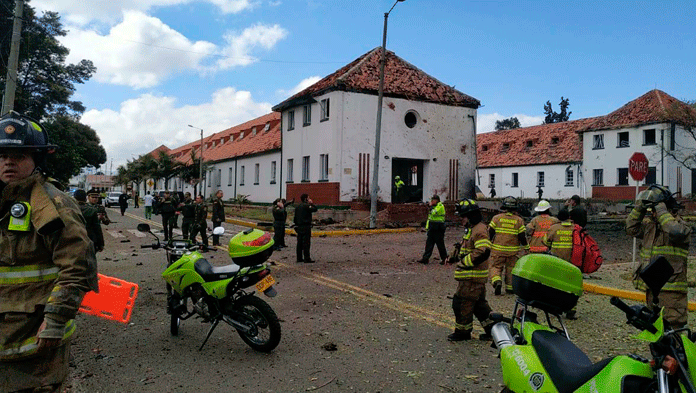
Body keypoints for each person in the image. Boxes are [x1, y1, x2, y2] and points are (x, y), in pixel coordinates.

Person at [0, 111, 98, 392]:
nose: (8, 161)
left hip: (35, 343)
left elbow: (77, 267)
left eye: (19, 155)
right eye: (2, 155)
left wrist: (55, 320)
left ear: (36, 159)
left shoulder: (54, 205)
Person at [626, 184, 691, 329]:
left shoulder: (682, 228)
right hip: (652, 290)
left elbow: (674, 231)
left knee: (673, 333)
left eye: (654, 210)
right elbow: (631, 228)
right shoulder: (651, 228)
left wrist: (661, 209)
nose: (653, 213)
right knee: (654, 331)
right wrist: (640, 208)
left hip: (672, 294)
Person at [444, 199, 495, 341]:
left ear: (471, 215)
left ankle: (463, 332)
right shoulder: (472, 229)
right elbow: (465, 247)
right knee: (479, 306)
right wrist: (454, 256)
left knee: (461, 303)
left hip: (472, 277)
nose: (461, 219)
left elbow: (483, 251)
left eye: (463, 216)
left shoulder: (479, 230)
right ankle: (493, 331)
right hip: (471, 277)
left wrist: (464, 262)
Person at [488, 196, 528, 295]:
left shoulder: (496, 218)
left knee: (495, 267)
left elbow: (490, 232)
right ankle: (510, 288)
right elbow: (522, 236)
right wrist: (526, 247)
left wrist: (488, 243)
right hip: (513, 251)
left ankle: (497, 281)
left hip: (497, 250)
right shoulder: (519, 220)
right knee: (511, 269)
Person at [542, 208, 577, 319]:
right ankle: (571, 309)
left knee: (555, 284)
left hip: (556, 261)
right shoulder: (575, 228)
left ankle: (555, 307)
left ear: (558, 218)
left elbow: (545, 241)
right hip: (572, 261)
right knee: (572, 285)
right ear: (569, 217)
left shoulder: (554, 228)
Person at [417, 195, 447, 264]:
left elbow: (434, 212)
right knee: (429, 244)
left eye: (433, 200)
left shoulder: (440, 206)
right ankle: (425, 258)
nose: (431, 201)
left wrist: (430, 206)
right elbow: (430, 218)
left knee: (440, 244)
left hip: (438, 228)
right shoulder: (435, 206)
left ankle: (444, 258)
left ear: (437, 200)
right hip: (432, 227)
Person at [294, 193, 318, 263]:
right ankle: (306, 258)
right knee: (306, 243)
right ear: (306, 199)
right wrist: (311, 203)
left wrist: (296, 225)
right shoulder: (307, 206)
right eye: (308, 198)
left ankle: (299, 258)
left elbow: (295, 217)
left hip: (299, 226)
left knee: (299, 243)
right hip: (306, 226)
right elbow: (315, 209)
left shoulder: (297, 206)